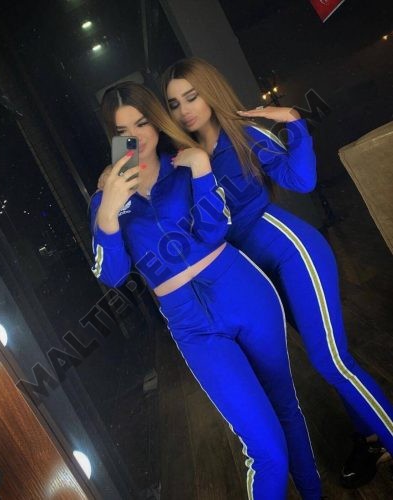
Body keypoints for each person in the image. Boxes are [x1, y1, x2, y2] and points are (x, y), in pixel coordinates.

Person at [161, 56, 393, 488]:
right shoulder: (182, 161)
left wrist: (294, 123)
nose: (184, 109)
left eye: (191, 96)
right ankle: (370, 437)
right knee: (328, 359)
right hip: (257, 277)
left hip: (292, 252)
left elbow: (300, 180)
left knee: (331, 361)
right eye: (174, 103)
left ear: (210, 92)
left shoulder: (243, 135)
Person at [91, 81, 322, 499]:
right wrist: (108, 209)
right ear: (112, 137)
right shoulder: (107, 197)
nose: (136, 136)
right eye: (122, 130)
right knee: (266, 451)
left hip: (244, 293)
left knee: (286, 409)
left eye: (143, 123)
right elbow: (113, 275)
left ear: (157, 121)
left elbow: (215, 230)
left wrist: (200, 168)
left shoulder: (184, 164)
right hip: (192, 326)